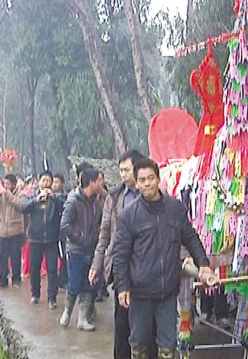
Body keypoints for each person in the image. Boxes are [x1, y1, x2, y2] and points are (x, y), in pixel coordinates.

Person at [113, 157, 215, 359]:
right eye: (142, 180)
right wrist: (122, 286)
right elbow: (121, 255)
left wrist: (203, 264)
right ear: (137, 183)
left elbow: (190, 238)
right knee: (139, 342)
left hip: (167, 290)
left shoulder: (175, 209)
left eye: (151, 178)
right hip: (140, 292)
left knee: (168, 345)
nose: (147, 183)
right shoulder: (128, 215)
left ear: (158, 180)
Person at [89, 150, 155, 359]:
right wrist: (97, 264)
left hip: (148, 269)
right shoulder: (115, 197)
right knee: (122, 326)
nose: (123, 174)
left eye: (127, 169)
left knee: (149, 328)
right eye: (121, 170)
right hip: (122, 269)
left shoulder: (153, 197)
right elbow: (104, 232)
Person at [59, 165, 104, 331]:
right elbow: (65, 225)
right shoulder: (73, 201)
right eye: (99, 181)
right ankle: (67, 311)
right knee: (74, 283)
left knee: (89, 284)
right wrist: (80, 237)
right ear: (91, 182)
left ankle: (82, 319)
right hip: (76, 251)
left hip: (91, 251)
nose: (101, 184)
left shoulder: (97, 202)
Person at [21, 171, 66, 309]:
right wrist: (36, 200)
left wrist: (53, 198)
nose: (46, 183)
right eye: (43, 180)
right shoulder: (32, 196)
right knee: (35, 268)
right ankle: (35, 294)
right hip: (35, 238)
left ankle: (52, 298)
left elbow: (64, 207)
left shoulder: (57, 197)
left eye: (48, 181)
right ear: (39, 182)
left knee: (52, 269)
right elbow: (23, 208)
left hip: (52, 239)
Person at [0, 174, 26, 288]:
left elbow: (22, 206)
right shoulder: (1, 195)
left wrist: (10, 197)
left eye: (8, 184)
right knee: (3, 257)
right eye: (4, 184)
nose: (6, 186)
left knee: (15, 257)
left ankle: (16, 279)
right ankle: (3, 279)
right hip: (3, 230)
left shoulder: (21, 194)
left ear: (14, 184)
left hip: (15, 230)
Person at [52, 173, 68, 290]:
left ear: (62, 183)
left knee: (64, 256)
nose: (54, 184)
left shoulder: (65, 196)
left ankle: (63, 279)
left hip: (62, 232)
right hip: (52, 231)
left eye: (57, 182)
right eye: (53, 182)